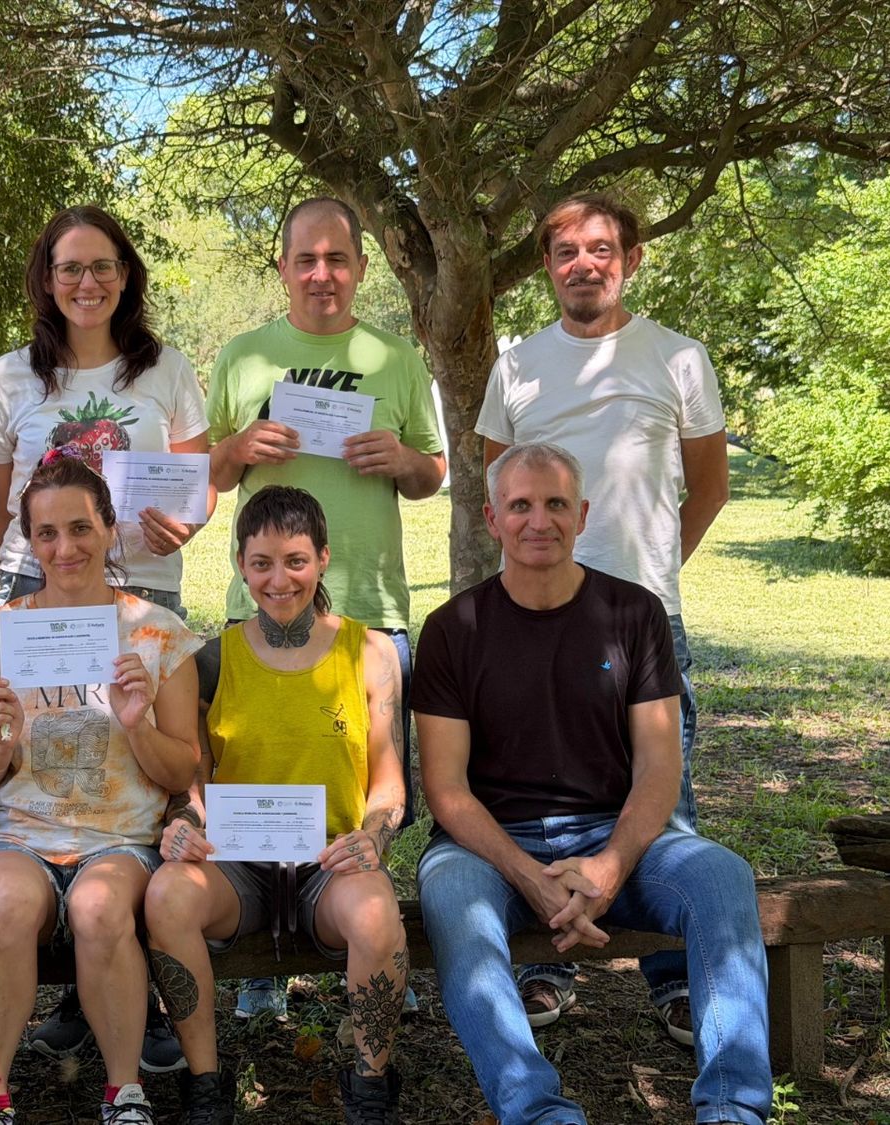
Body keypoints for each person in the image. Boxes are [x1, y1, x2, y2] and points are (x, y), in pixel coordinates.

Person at [413, 442, 769, 1125]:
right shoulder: (453, 629)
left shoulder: (634, 615)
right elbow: (447, 790)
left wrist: (608, 866)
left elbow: (662, 767)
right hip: (491, 845)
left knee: (721, 875)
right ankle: (540, 1111)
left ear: (581, 515)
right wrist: (526, 873)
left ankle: (733, 1109)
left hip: (617, 834)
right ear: (492, 518)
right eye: (519, 505)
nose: (537, 520)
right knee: (452, 897)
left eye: (553, 504)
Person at [476, 193, 731, 1043]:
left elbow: (709, 487)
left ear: (631, 258)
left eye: (600, 248)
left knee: (667, 794)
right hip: (538, 617)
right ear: (547, 264)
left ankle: (676, 976)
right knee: (546, 792)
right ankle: (548, 965)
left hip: (644, 617)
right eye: (564, 251)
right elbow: (498, 485)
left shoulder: (679, 358)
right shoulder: (516, 367)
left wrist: (647, 581)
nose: (583, 264)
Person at [0, 204, 210, 1064]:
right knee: (51, 772)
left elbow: (197, 485)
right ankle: (79, 990)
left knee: (136, 775)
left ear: (126, 275)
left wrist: (191, 520)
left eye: (102, 265)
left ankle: (128, 981)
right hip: (36, 586)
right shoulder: (11, 377)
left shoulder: (166, 369)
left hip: (143, 585)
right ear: (46, 278)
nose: (86, 282)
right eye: (69, 267)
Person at [205, 196, 443, 1017]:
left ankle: (375, 942)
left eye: (338, 259)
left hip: (373, 602)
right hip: (264, 609)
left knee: (374, 782)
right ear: (282, 268)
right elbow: (214, 471)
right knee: (259, 772)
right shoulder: (243, 356)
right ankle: (260, 958)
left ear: (361, 269)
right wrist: (241, 447)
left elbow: (434, 473)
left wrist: (404, 457)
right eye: (305, 258)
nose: (322, 274)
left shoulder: (396, 357)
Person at [142, 485, 410, 1125]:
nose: (278, 578)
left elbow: (392, 782)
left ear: (322, 558)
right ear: (240, 566)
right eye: (261, 563)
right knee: (167, 896)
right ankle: (206, 1081)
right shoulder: (213, 657)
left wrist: (375, 836)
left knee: (377, 916)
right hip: (238, 867)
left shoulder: (370, 652)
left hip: (330, 860)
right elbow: (192, 781)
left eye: (295, 560)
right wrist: (183, 824)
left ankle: (370, 1084)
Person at [0, 451, 202, 1124]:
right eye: (46, 533)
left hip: (120, 835)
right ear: (28, 540)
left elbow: (184, 770)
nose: (65, 547)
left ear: (109, 528)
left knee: (98, 907)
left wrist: (138, 725)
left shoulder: (156, 632)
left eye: (81, 528)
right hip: (16, 833)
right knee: (7, 904)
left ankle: (123, 1090)